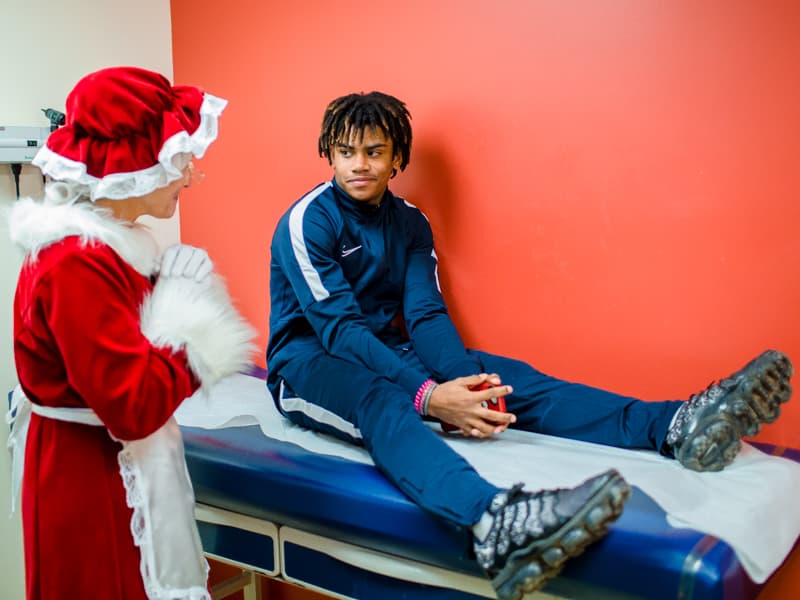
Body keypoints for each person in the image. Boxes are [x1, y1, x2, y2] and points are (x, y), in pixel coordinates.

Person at [266, 91, 793, 600]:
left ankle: (675, 426)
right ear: (329, 154)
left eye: (374, 151)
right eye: (346, 152)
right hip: (310, 365)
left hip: (387, 349)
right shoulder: (308, 221)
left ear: (396, 156)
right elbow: (341, 331)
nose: (359, 164)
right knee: (380, 400)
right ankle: (491, 521)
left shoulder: (410, 222)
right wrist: (429, 396)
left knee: (507, 378)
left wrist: (463, 382)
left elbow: (425, 316)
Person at [7, 66, 256, 600]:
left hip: (103, 461)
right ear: (135, 167)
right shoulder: (75, 263)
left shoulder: (117, 245)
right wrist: (194, 325)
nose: (190, 176)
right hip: (89, 479)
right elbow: (134, 404)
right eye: (179, 161)